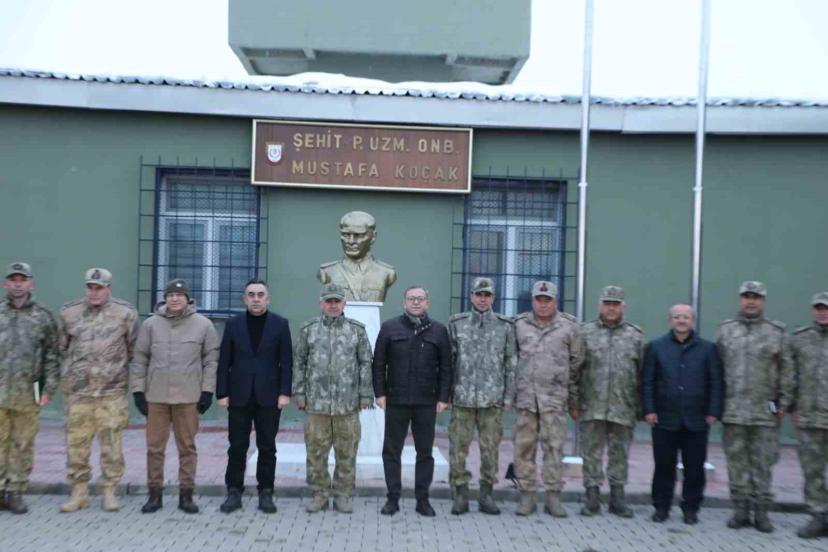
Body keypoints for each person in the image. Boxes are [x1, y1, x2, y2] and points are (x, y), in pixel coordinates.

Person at [131, 278, 219, 514]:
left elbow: (211, 361)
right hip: (156, 396)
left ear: (187, 299)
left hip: (188, 397)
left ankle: (186, 495)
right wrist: (138, 391)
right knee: (154, 448)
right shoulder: (151, 325)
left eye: (179, 295)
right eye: (170, 295)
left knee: (187, 448)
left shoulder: (203, 325)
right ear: (165, 299)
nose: (175, 299)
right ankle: (154, 495)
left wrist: (207, 391)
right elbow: (140, 359)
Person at [58, 268, 138, 513]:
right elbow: (62, 348)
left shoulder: (126, 314)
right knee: (76, 445)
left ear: (108, 289)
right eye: (90, 287)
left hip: (111, 393)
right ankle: (79, 492)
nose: (94, 292)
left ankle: (109, 491)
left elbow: (133, 350)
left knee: (112, 445)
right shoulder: (69, 313)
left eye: (99, 288)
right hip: (79, 394)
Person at [716, 281, 791, 532]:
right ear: (740, 300)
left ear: (763, 301)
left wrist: (784, 403)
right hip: (733, 411)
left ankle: (761, 513)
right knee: (736, 463)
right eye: (746, 297)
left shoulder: (776, 332)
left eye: (756, 297)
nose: (751, 301)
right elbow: (716, 370)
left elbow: (787, 370)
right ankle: (740, 511)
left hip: (765, 413)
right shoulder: (726, 330)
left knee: (763, 464)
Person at [293, 283, 373, 514]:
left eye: (337, 301)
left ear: (344, 303)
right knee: (316, 452)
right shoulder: (309, 330)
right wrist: (299, 393)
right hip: (316, 405)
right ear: (321, 303)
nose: (333, 305)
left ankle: (342, 494)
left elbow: (365, 363)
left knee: (346, 452)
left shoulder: (356, 330)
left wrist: (365, 394)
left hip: (347, 405)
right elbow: (299, 363)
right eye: (328, 301)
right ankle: (319, 494)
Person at [372, 285, 451, 517]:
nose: (416, 302)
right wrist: (380, 393)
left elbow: (446, 367)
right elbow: (378, 364)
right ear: (404, 302)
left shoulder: (438, 330)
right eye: (411, 298)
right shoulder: (390, 328)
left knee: (424, 452)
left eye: (420, 298)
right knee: (392, 451)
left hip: (426, 401)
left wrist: (443, 397)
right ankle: (392, 499)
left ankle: (422, 500)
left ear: (427, 303)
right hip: (396, 400)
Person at [216, 278, 292, 514]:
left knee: (267, 446)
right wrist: (222, 392)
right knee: (237, 446)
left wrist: (285, 392)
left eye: (260, 295)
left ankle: (266, 492)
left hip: (269, 396)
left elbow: (286, 362)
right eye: (251, 295)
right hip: (239, 395)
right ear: (245, 299)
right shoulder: (233, 325)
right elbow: (224, 361)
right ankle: (234, 491)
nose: (256, 299)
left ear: (268, 298)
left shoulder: (280, 324)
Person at [642, 304, 723, 525]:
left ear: (692, 321)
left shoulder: (708, 349)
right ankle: (661, 507)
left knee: (695, 468)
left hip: (697, 419)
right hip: (664, 418)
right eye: (677, 317)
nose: (681, 320)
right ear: (670, 320)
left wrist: (713, 411)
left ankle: (691, 508)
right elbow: (647, 381)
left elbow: (716, 382)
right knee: (663, 467)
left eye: (685, 317)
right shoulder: (656, 347)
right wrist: (649, 409)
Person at [513, 280, 582, 518]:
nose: (543, 305)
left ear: (555, 301)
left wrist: (574, 401)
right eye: (538, 300)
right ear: (532, 301)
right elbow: (511, 361)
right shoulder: (519, 325)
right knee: (524, 449)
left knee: (554, 449)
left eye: (547, 300)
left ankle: (553, 496)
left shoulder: (569, 327)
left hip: (555, 400)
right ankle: (527, 496)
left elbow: (576, 365)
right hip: (526, 399)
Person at [447, 277, 515, 515]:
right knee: (458, 449)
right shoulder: (457, 324)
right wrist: (447, 394)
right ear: (471, 296)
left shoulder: (505, 326)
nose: (483, 299)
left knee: (490, 450)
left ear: (493, 298)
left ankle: (486, 495)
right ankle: (460, 493)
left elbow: (511, 363)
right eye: (479, 295)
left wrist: (508, 395)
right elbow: (449, 362)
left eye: (487, 295)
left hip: (491, 399)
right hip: (462, 398)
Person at [0, 262, 60, 514]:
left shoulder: (43, 316)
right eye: (13, 280)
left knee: (22, 444)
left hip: (27, 393)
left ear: (30, 284)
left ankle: (15, 491)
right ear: (6, 283)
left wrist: (49, 389)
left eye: (22, 280)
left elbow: (52, 355)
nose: (17, 284)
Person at [579, 285, 642, 518]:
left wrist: (640, 407)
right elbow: (576, 370)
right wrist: (574, 401)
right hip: (592, 405)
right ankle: (592, 498)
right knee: (591, 453)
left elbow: (641, 373)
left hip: (623, 406)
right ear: (600, 305)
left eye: (615, 304)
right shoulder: (585, 332)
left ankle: (617, 499)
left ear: (623, 307)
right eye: (607, 303)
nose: (611, 308)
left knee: (620, 454)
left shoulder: (634, 335)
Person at [788, 291, 828, 539]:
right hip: (809, 418)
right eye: (819, 308)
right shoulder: (801, 339)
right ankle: (818, 515)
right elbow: (790, 375)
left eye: (826, 308)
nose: (823, 312)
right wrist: (791, 406)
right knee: (812, 471)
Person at [318, 211, 396, 302]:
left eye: (358, 235)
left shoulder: (386, 272)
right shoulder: (327, 271)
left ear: (373, 237)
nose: (351, 241)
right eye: (346, 235)